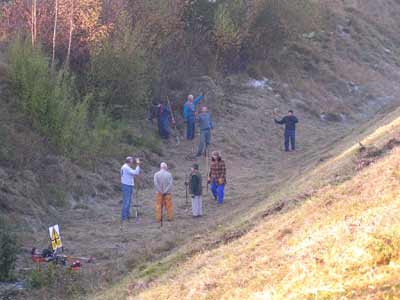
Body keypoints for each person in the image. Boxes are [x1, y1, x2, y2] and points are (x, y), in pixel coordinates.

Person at [120, 157, 141, 229]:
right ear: (129, 161)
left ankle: (127, 215)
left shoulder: (125, 167)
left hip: (128, 185)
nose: (133, 161)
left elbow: (133, 173)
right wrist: (138, 164)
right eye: (132, 160)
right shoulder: (126, 167)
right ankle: (124, 217)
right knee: (126, 201)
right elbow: (136, 172)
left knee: (128, 201)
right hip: (126, 185)